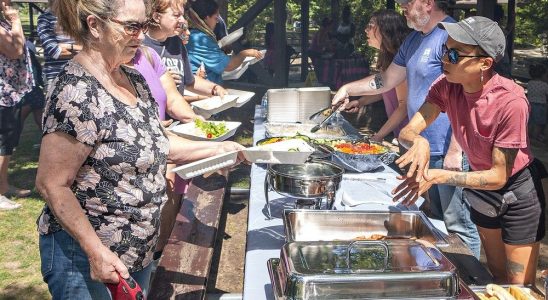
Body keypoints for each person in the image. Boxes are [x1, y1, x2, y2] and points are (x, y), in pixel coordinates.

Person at [35, 0, 245, 298]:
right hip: (87, 260)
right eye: (132, 26)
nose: (142, 36)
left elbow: (158, 142)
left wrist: (220, 150)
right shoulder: (75, 91)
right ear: (94, 26)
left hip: (137, 250)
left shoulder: (133, 78)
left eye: (145, 25)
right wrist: (95, 251)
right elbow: (51, 183)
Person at [393, 16, 546, 284]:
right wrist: (419, 140)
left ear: (484, 64)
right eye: (444, 50)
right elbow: (409, 130)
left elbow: (499, 176)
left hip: (517, 192)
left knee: (520, 285)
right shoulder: (446, 86)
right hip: (481, 190)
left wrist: (439, 176)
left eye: (454, 54)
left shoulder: (511, 102)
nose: (445, 59)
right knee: (496, 277)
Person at [331, 0, 481, 258]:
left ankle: (469, 287)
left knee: (459, 226)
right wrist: (348, 88)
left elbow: (471, 93)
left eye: (407, 2)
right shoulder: (413, 40)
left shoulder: (453, 36)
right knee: (432, 220)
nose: (402, 6)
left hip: (449, 151)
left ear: (427, 3)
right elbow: (387, 80)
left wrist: (457, 149)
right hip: (419, 150)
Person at [343, 10, 411, 144]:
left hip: (412, 136)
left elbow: (404, 106)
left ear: (386, 29)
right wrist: (361, 102)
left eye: (370, 26)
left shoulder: (400, 61)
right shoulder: (386, 57)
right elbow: (385, 90)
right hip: (400, 133)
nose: (365, 30)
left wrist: (379, 136)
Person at [144, 0, 228, 99]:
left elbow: (190, 81)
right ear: (157, 17)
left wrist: (214, 88)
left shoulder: (177, 42)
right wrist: (159, 80)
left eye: (182, 15)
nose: (182, 20)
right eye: (176, 15)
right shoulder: (139, 45)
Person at [0, 1, 33, 210]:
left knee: (7, 143)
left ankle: (4, 185)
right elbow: (16, 49)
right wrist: (15, 20)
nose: (8, 2)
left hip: (10, 92)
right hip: (2, 93)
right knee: (2, 143)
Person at [186, 0, 263, 84]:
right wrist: (244, 53)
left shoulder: (195, 35)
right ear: (207, 17)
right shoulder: (201, 39)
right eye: (216, 18)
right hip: (201, 88)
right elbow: (229, 65)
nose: (217, 21)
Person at [37, 0, 82, 91]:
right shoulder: (45, 18)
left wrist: (65, 47)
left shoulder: (80, 18)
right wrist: (79, 49)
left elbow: (92, 48)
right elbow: (55, 52)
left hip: (80, 74)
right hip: (56, 76)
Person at [526, 64, 548, 142]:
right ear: (542, 75)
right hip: (540, 106)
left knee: (530, 122)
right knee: (538, 123)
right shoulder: (545, 85)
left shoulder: (530, 83)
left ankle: (528, 137)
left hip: (529, 104)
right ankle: (534, 138)